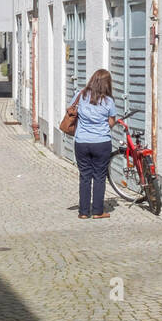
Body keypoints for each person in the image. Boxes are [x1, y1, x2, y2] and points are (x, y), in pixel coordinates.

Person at [73, 69, 118, 219]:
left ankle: (83, 212)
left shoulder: (81, 95)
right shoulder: (108, 101)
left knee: (85, 176)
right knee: (99, 176)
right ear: (107, 84)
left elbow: (72, 112)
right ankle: (98, 211)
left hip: (82, 142)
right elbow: (111, 122)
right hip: (101, 142)